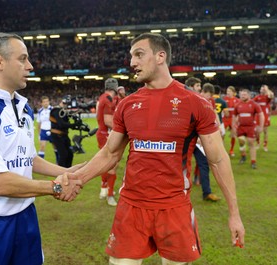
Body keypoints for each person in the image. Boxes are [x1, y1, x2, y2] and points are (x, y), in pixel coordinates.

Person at [71, 33, 245, 264]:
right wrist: (78, 178)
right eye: (131, 56)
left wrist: (234, 214)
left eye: (139, 55)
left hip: (174, 209)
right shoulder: (127, 104)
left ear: (161, 56)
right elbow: (110, 153)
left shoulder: (195, 104)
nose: (132, 62)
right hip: (131, 207)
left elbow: (218, 160)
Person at [0, 32, 83, 265]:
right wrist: (55, 186)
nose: (30, 66)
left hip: (24, 217)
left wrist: (66, 172)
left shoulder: (23, 106)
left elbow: (27, 158)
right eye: (23, 59)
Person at [97, 78, 119, 206]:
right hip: (106, 134)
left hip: (102, 133)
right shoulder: (108, 99)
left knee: (106, 163)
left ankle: (104, 190)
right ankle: (109, 195)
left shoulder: (102, 97)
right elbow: (108, 120)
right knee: (112, 164)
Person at [232, 89, 264, 169]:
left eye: (245, 95)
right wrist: (233, 127)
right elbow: (234, 116)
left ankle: (253, 162)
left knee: (251, 143)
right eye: (241, 95)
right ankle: (243, 156)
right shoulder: (237, 104)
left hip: (251, 127)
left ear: (249, 95)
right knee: (241, 141)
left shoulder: (254, 104)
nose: (242, 96)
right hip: (241, 127)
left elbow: (261, 115)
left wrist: (261, 126)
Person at [50, 96, 78, 167]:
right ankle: (60, 173)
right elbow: (61, 124)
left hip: (64, 135)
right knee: (63, 154)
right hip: (57, 136)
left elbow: (66, 123)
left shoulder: (62, 111)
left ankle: (68, 171)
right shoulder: (56, 110)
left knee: (70, 154)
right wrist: (73, 125)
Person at [36, 95, 58, 162]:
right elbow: (39, 123)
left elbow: (57, 121)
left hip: (52, 130)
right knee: (42, 146)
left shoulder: (53, 110)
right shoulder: (40, 111)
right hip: (43, 131)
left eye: (47, 101)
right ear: (42, 103)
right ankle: (41, 163)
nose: (46, 103)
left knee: (55, 146)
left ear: (49, 102)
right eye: (44, 102)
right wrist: (39, 134)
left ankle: (58, 161)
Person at [253, 84, 274, 152]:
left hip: (265, 116)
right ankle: (258, 143)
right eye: (261, 88)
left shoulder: (267, 97)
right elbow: (252, 103)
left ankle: (265, 145)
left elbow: (272, 96)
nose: (262, 90)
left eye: (263, 89)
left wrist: (267, 89)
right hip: (258, 116)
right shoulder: (257, 97)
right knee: (257, 131)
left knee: (265, 131)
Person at [223, 86, 240, 157]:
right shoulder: (224, 99)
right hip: (225, 119)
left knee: (233, 134)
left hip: (233, 119)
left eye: (229, 91)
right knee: (222, 134)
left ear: (233, 92)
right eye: (227, 91)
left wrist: (237, 120)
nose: (228, 92)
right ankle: (222, 150)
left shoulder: (237, 100)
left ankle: (231, 150)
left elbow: (239, 111)